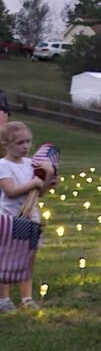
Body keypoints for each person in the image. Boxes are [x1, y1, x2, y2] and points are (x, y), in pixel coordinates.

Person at [0, 121, 55, 312]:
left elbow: (40, 192)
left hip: (30, 218)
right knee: (5, 260)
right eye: (20, 143)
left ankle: (27, 297)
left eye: (28, 142)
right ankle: (4, 299)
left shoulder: (30, 164)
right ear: (6, 144)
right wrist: (35, 182)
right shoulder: (3, 165)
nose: (25, 146)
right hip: (9, 221)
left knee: (27, 258)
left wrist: (47, 175)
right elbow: (10, 192)